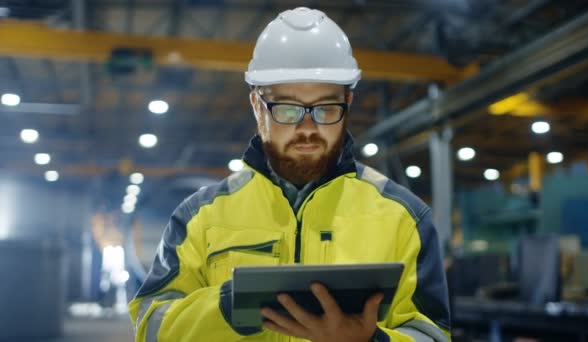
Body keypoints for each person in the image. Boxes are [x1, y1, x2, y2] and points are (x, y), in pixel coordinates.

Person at [129, 7, 450, 342]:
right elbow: (152, 328)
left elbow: (432, 334)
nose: (307, 128)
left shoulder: (404, 219)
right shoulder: (199, 218)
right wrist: (228, 306)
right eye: (287, 109)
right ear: (257, 105)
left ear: (348, 103)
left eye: (326, 108)